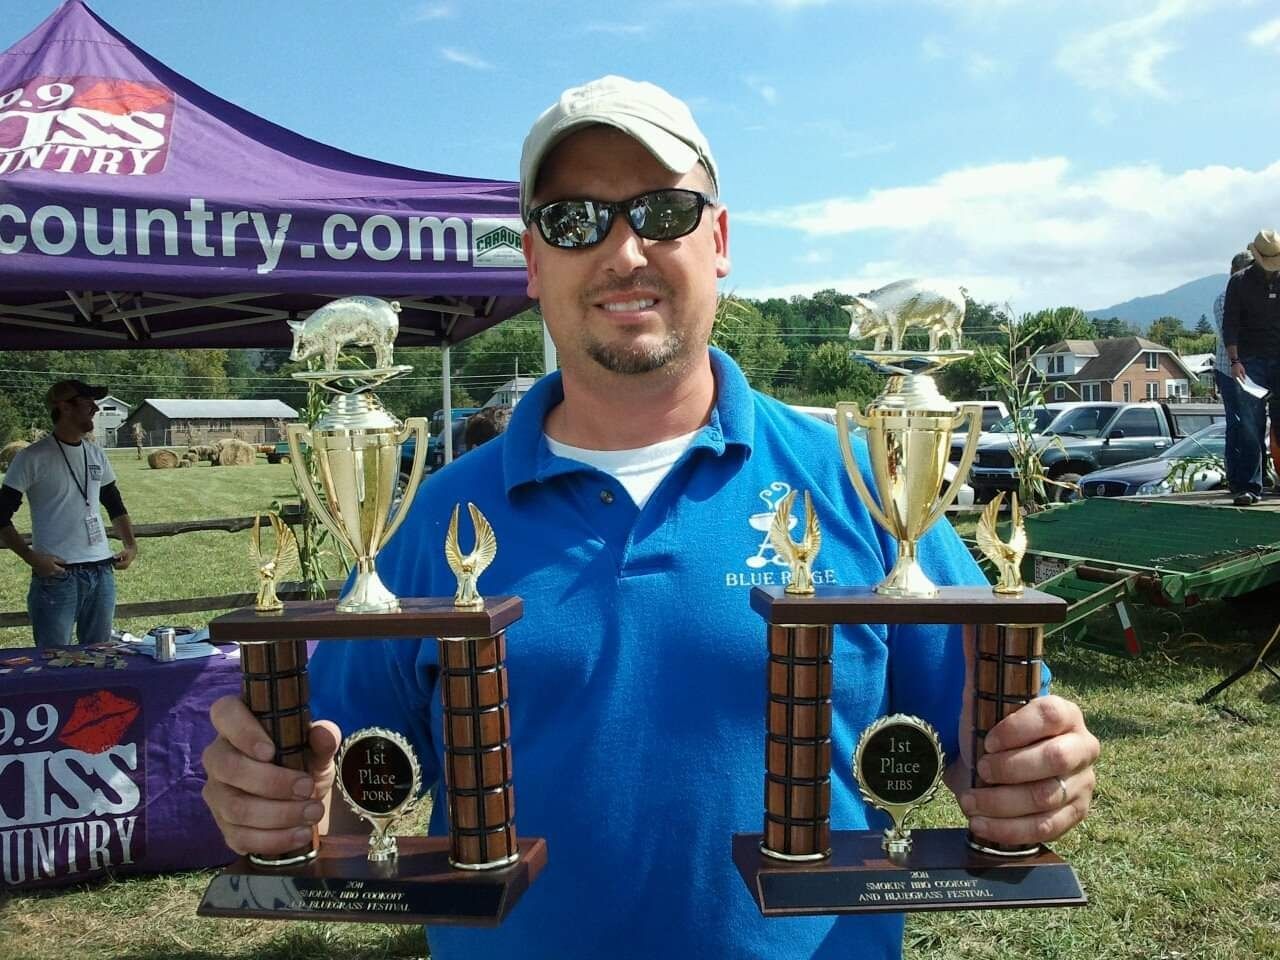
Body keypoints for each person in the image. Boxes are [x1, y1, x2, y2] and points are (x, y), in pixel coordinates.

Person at [201, 76, 1099, 960]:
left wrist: (1037, 775)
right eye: (574, 220)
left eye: (662, 210)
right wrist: (283, 798)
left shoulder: (866, 484)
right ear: (532, 260)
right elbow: (357, 776)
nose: (623, 251)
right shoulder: (437, 513)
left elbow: (989, 743)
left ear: (718, 238)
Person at [0, 379, 138, 647]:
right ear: (64, 407)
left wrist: (131, 545)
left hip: (102, 572)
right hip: (57, 576)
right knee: (53, 662)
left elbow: (115, 505)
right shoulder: (31, 458)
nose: (96, 409)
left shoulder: (96, 454)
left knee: (100, 657)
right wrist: (31, 558)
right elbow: (0, 515)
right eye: (88, 402)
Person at [1223, 229, 1280, 505]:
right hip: (1249, 363)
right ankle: (1250, 487)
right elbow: (1230, 324)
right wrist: (1235, 361)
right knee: (1249, 425)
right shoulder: (1239, 282)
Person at [1213, 250, 1256, 500]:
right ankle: (1237, 479)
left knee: (1254, 425)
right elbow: (1231, 334)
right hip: (1230, 369)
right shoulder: (1224, 298)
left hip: (1255, 370)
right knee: (1237, 424)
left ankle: (1255, 478)